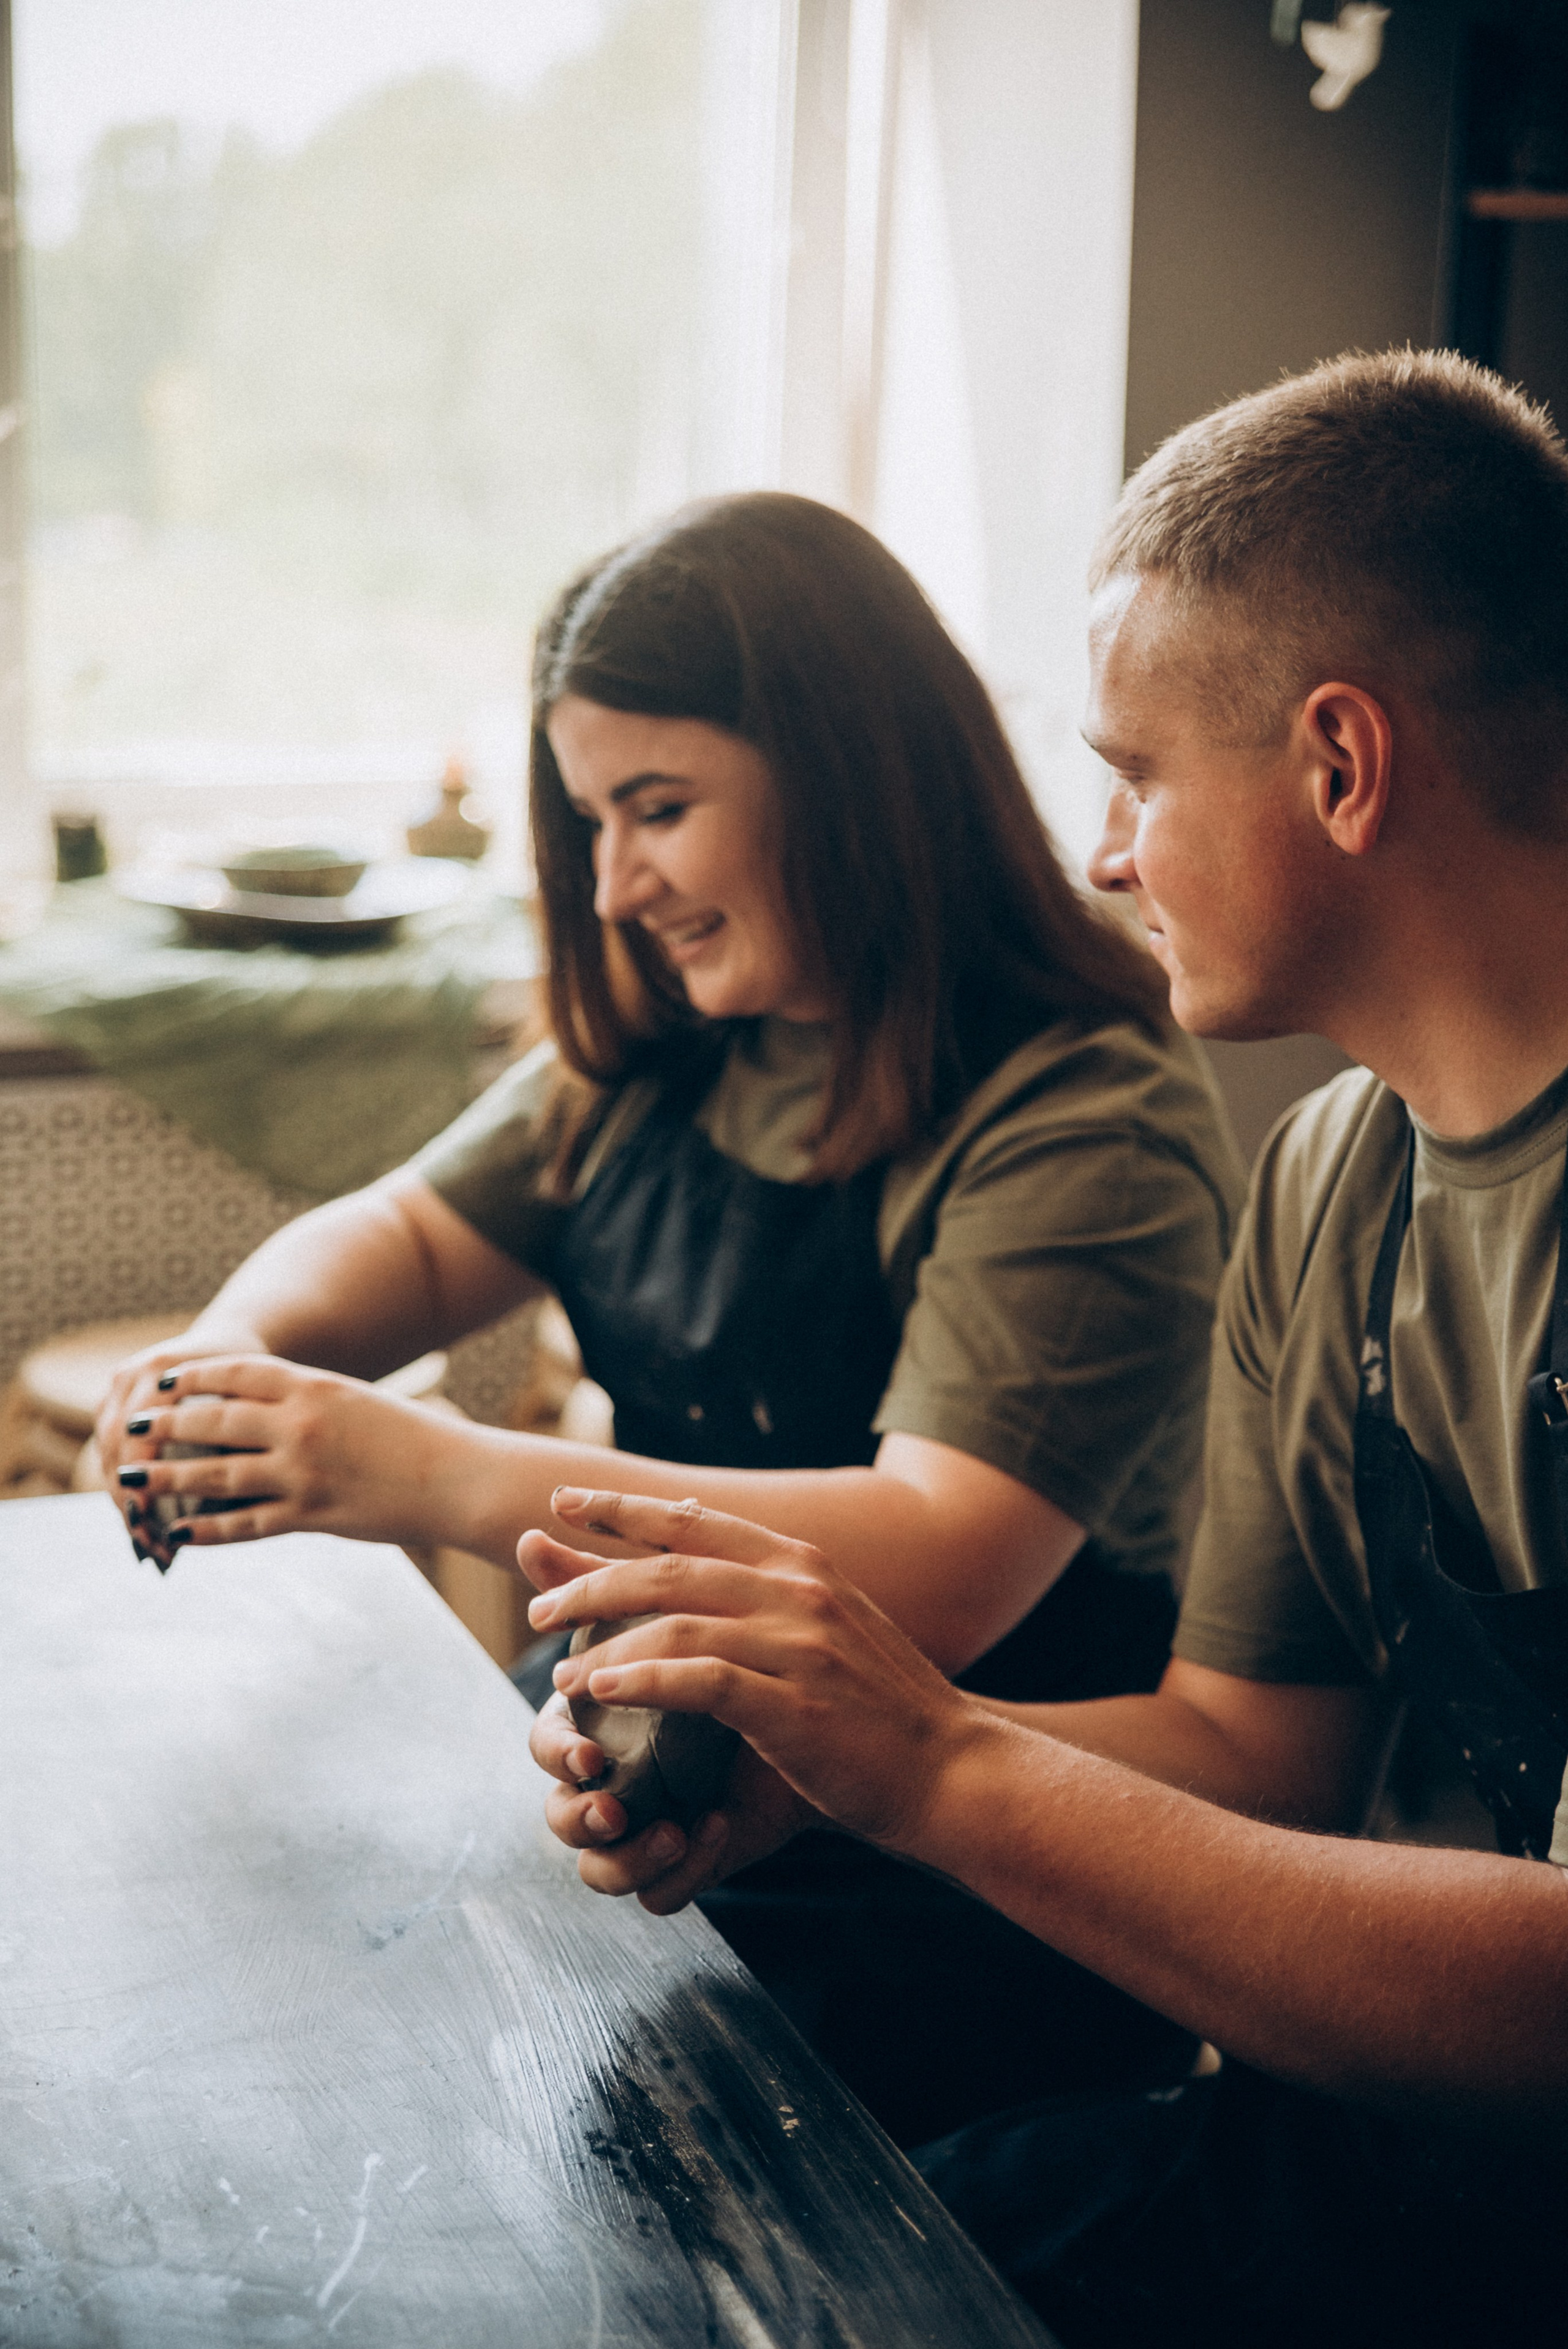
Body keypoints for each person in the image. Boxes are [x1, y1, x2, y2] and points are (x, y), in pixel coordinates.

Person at [524, 352, 1568, 2348]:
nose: (1104, 851)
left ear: (1342, 766)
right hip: (1364, 2151)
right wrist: (814, 1775)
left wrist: (938, 1754)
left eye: (1140, 774)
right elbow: (1254, 1751)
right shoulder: (1334, 1176)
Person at [99, 491, 1244, 2143]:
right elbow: (411, 1237)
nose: (619, 881)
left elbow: (942, 1549)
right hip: (660, 1826)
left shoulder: (1087, 1113)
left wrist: (422, 1471)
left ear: (845, 774)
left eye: (661, 808)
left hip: (960, 1929)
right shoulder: (669, 1033)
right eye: (590, 824)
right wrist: (230, 1358)